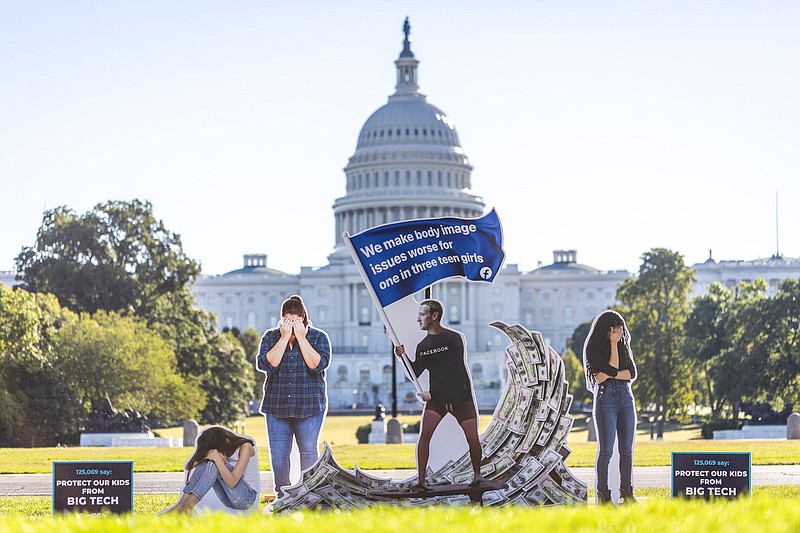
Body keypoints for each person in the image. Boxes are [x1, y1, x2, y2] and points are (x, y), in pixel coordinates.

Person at [394, 299, 485, 490]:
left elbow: (452, 370)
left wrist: (431, 394)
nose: (417, 319)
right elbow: (414, 373)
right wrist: (402, 357)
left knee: (472, 437)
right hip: (438, 400)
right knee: (425, 436)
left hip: (461, 397)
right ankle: (421, 482)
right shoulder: (423, 346)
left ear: (434, 316)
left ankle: (478, 477)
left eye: (422, 314)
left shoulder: (454, 338)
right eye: (418, 314)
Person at [256, 295, 331, 499]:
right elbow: (267, 364)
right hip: (276, 407)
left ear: (303, 318)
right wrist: (283, 338)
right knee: (279, 457)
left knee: (308, 452)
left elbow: (316, 365)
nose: (290, 324)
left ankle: (309, 494)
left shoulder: (318, 337)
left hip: (309, 406)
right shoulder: (270, 337)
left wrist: (301, 338)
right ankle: (283, 496)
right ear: (281, 319)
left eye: (294, 320)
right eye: (286, 320)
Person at [583, 309, 638, 505]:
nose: (619, 334)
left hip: (625, 397)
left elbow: (630, 373)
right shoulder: (593, 348)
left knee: (627, 451)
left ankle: (627, 493)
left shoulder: (624, 346)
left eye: (620, 331)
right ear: (607, 330)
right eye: (614, 331)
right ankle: (603, 494)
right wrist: (613, 345)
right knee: (606, 451)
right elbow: (610, 371)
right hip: (606, 399)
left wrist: (610, 374)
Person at [158, 426, 259, 514]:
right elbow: (189, 466)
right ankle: (181, 505)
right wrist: (205, 456)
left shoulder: (246, 447)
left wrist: (216, 459)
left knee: (214, 462)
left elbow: (232, 482)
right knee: (207, 461)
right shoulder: (221, 450)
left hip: (246, 498)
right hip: (228, 499)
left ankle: (187, 507)